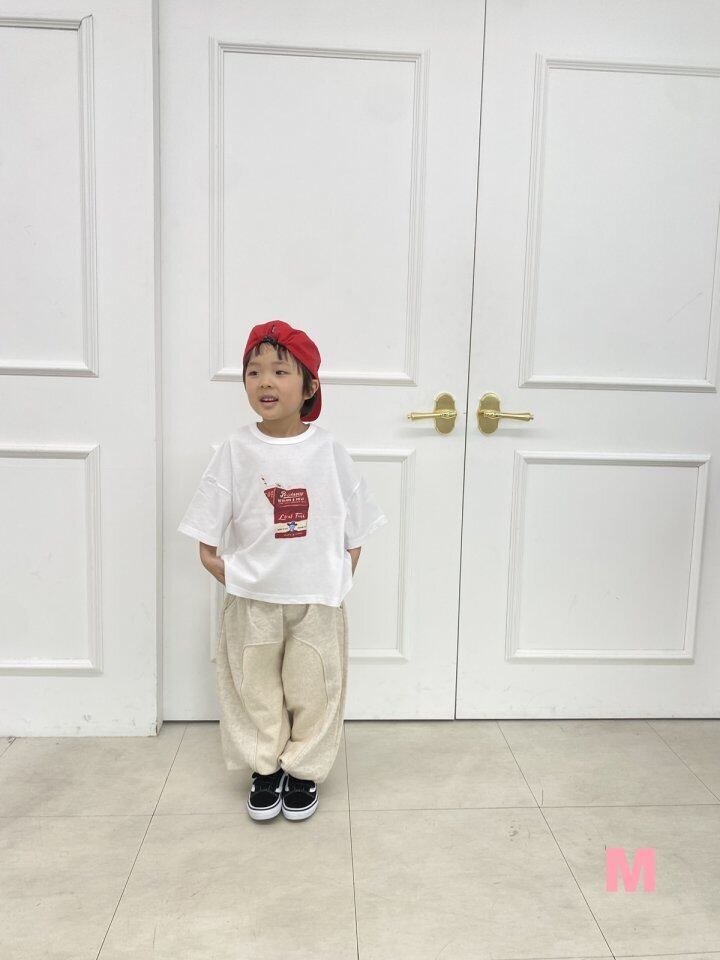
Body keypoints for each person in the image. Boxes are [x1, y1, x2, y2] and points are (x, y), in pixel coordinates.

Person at [177, 320, 388, 823]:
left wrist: (340, 572)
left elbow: (357, 521)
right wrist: (219, 565)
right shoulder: (236, 450)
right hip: (253, 597)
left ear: (309, 386)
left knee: (315, 687)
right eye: (254, 372)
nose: (265, 382)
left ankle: (304, 769)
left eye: (279, 371)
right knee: (254, 688)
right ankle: (264, 767)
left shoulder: (328, 450)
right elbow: (208, 521)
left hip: (317, 598)